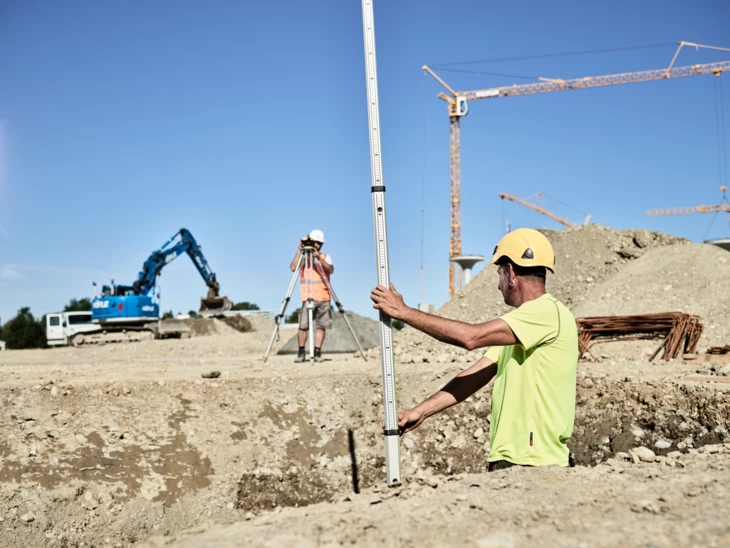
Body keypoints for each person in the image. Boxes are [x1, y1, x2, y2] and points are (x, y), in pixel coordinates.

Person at [370, 228, 578, 471]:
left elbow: (471, 337)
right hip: (515, 457)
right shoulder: (521, 326)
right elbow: (475, 375)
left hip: (532, 461)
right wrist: (422, 411)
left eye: (499, 273)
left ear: (511, 271)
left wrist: (404, 312)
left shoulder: (544, 313)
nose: (499, 285)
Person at [290, 229, 334, 363]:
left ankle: (317, 351)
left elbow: (330, 269)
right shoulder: (304, 258)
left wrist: (318, 258)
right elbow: (293, 268)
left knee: (321, 326)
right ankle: (301, 351)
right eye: (315, 243)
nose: (317, 245)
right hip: (308, 297)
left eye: (319, 243)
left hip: (323, 296)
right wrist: (299, 251)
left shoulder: (325, 256)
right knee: (303, 325)